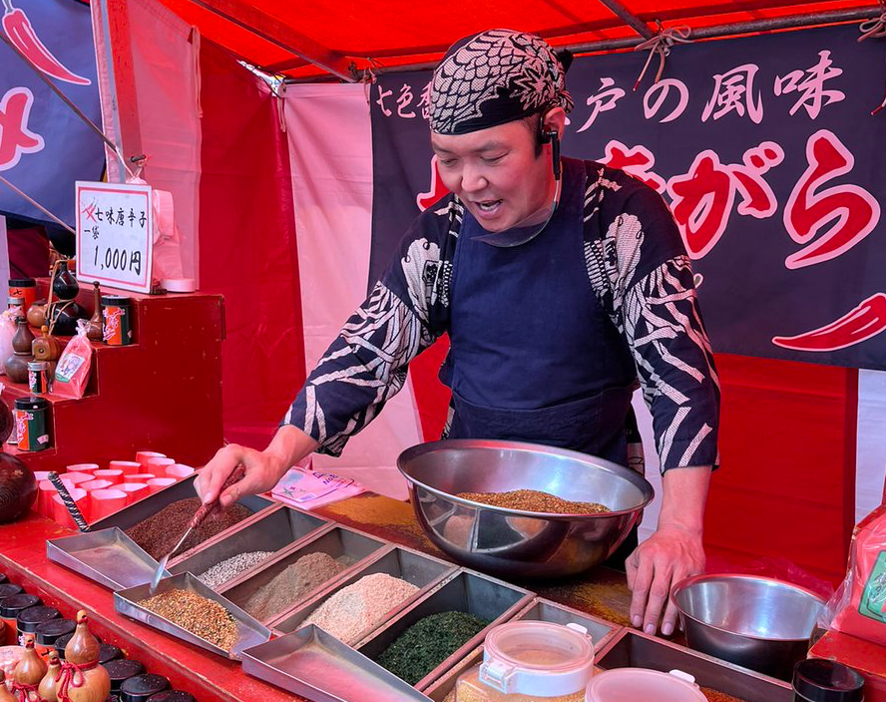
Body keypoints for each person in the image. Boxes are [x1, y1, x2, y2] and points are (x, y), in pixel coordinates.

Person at [197, 29, 720, 638]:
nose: (467, 183)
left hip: (585, 510)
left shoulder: (621, 218)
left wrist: (680, 528)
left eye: (492, 157)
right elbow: (371, 344)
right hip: (462, 503)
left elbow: (679, 372)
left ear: (550, 128)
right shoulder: (443, 232)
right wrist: (276, 455)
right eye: (449, 158)